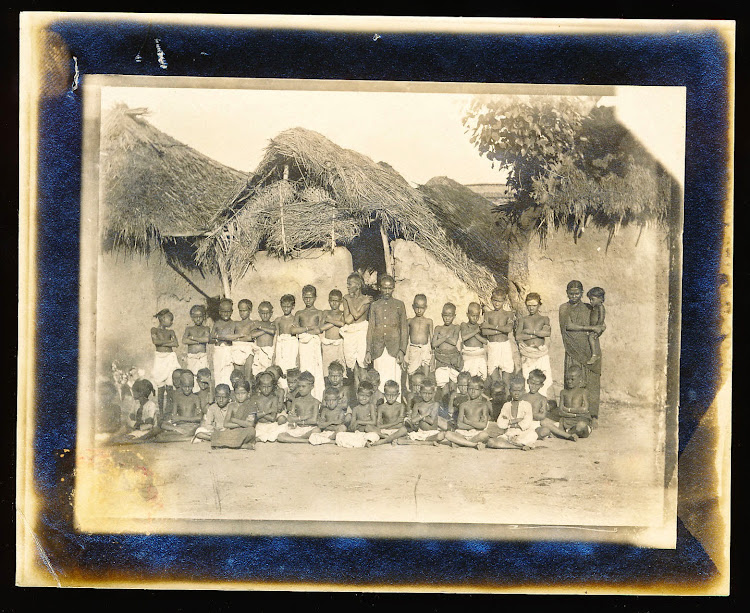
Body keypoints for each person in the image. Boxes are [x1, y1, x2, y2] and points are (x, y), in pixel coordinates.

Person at [559, 280, 605, 428]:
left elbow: (599, 322)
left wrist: (600, 328)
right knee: (573, 381)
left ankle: (593, 415)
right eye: (571, 293)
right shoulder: (564, 308)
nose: (574, 296)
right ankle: (570, 415)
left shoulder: (589, 307)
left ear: (582, 293)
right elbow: (568, 326)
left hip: (589, 350)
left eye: (577, 293)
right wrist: (591, 327)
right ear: (567, 293)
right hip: (573, 350)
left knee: (592, 383)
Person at [291, 285, 325, 402]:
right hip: (303, 346)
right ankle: (304, 401)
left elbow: (319, 330)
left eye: (310, 297)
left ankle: (317, 400)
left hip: (314, 346)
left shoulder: (319, 313)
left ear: (315, 297)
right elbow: (293, 330)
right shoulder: (299, 313)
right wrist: (308, 328)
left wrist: (310, 329)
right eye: (305, 297)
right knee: (304, 369)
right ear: (302, 297)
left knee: (317, 372)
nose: (308, 300)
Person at [516, 292, 553, 397]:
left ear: (539, 305)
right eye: (529, 305)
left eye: (534, 305)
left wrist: (530, 332)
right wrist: (536, 335)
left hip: (541, 354)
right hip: (528, 354)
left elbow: (547, 333)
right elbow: (518, 336)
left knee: (545, 380)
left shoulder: (544, 319)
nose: (531, 308)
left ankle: (541, 403)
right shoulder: (523, 320)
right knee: (528, 380)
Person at [523, 369, 576, 441]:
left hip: (536, 424)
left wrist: (530, 414)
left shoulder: (542, 399)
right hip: (524, 424)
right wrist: (534, 414)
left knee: (544, 429)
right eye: (532, 383)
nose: (534, 386)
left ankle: (568, 436)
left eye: (537, 384)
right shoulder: (523, 397)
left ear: (541, 385)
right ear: (528, 382)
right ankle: (551, 434)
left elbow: (542, 416)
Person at [340, 273, 373, 388]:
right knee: (354, 370)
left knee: (363, 368)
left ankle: (365, 396)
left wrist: (351, 301)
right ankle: (358, 398)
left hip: (362, 333)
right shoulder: (346, 298)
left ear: (358, 285)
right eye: (347, 284)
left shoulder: (366, 299)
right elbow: (348, 320)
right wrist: (350, 301)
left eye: (350, 284)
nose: (348, 286)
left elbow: (357, 315)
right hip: (350, 334)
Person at [488, 377, 537, 450]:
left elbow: (527, 423)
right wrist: (516, 420)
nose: (516, 393)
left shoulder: (527, 405)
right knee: (491, 442)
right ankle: (518, 446)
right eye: (514, 390)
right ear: (510, 391)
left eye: (519, 390)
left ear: (524, 391)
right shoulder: (506, 405)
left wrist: (509, 424)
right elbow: (500, 423)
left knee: (532, 435)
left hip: (523, 433)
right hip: (509, 434)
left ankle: (519, 443)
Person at [482, 286, 516, 390]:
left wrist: (493, 327)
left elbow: (508, 329)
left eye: (500, 301)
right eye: (495, 300)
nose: (497, 303)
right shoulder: (488, 314)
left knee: (506, 379)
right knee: (494, 378)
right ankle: (496, 403)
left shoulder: (508, 314)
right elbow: (484, 331)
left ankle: (506, 402)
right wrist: (500, 329)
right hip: (492, 346)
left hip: (504, 347)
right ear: (491, 300)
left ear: (504, 301)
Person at [444, 376, 490, 449]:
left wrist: (467, 422)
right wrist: (476, 425)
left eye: (476, 389)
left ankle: (461, 443)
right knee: (448, 434)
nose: (473, 391)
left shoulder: (483, 406)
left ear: (481, 391)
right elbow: (459, 424)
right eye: (470, 389)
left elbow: (483, 425)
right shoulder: (463, 405)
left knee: (484, 435)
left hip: (476, 433)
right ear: (467, 389)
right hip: (463, 432)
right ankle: (473, 444)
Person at [276, 371, 321, 443]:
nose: (300, 389)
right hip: (297, 428)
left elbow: (314, 420)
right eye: (299, 386)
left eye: (303, 386)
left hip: (309, 429)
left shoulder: (315, 402)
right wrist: (304, 418)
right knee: (280, 436)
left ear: (312, 387)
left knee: (316, 431)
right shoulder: (296, 401)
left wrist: (298, 420)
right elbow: (290, 418)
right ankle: (304, 440)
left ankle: (297, 439)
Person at [150, 308, 181, 412]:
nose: (172, 322)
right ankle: (161, 411)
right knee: (160, 386)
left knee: (170, 385)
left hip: (170, 357)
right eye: (170, 319)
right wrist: (168, 342)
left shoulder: (171, 331)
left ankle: (169, 410)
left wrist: (161, 342)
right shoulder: (154, 330)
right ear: (163, 318)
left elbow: (176, 344)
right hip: (160, 358)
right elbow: (155, 341)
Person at [211, 379, 256, 449]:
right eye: (238, 393)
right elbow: (225, 424)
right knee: (216, 434)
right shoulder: (232, 405)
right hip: (234, 430)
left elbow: (250, 424)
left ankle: (228, 445)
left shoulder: (251, 405)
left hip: (244, 430)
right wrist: (240, 425)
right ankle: (241, 446)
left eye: (243, 393)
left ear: (248, 393)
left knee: (251, 431)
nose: (240, 396)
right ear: (234, 394)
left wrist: (234, 420)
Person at [432, 303, 463, 399]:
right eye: (445, 316)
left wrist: (441, 338)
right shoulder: (438, 328)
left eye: (450, 316)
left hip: (453, 359)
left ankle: (453, 408)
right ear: (442, 315)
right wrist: (446, 337)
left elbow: (454, 342)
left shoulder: (456, 327)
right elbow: (434, 344)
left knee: (453, 385)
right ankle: (445, 409)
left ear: (454, 316)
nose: (447, 318)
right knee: (444, 387)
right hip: (441, 359)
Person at [336, 381, 380, 448]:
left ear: (371, 396)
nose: (364, 398)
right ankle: (365, 443)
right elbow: (353, 425)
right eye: (362, 395)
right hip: (359, 433)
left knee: (371, 432)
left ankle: (383, 436)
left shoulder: (371, 406)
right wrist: (352, 426)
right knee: (341, 436)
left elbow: (374, 422)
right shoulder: (355, 409)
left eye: (367, 396)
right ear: (357, 395)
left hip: (370, 431)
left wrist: (359, 422)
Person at [402, 378, 444, 445]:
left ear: (433, 394)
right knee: (410, 434)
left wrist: (420, 417)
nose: (427, 396)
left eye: (429, 393)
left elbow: (431, 421)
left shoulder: (435, 404)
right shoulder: (417, 405)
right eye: (424, 393)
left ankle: (423, 442)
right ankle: (428, 442)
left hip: (432, 432)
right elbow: (412, 421)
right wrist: (424, 415)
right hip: (421, 432)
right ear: (420, 392)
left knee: (440, 436)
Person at [405, 294, 433, 389]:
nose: (419, 310)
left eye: (422, 308)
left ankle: (425, 397)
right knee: (411, 373)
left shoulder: (429, 321)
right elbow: (406, 339)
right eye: (417, 307)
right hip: (414, 349)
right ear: (413, 306)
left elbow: (432, 339)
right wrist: (405, 356)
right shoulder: (410, 321)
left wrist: (432, 356)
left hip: (425, 350)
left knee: (425, 377)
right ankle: (412, 396)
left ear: (426, 307)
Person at [162, 370, 202, 437]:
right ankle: (181, 434)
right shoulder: (177, 398)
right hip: (180, 425)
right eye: (184, 386)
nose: (187, 389)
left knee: (161, 437)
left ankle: (182, 436)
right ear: (181, 385)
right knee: (163, 425)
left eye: (189, 387)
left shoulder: (195, 398)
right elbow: (174, 418)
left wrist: (180, 418)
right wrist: (176, 426)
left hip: (191, 425)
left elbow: (199, 418)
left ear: (193, 386)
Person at [252, 371, 288, 443]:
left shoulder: (274, 398)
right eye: (263, 386)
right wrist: (267, 412)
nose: (266, 389)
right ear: (259, 386)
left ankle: (261, 438)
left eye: (269, 386)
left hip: (271, 425)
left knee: (281, 429)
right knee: (252, 432)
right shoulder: (255, 398)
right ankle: (263, 437)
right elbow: (254, 416)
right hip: (259, 426)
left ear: (273, 386)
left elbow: (272, 418)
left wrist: (260, 413)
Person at [370, 380, 410, 446]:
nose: (391, 398)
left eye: (393, 395)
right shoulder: (381, 407)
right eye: (388, 395)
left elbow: (400, 425)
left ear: (398, 395)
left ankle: (383, 441)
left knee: (404, 429)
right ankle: (389, 438)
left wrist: (392, 425)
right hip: (384, 432)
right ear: (384, 394)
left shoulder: (401, 406)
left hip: (397, 431)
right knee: (368, 427)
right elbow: (379, 426)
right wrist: (395, 422)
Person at [558, 365, 593, 439]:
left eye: (572, 379)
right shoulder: (563, 392)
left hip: (581, 419)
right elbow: (560, 411)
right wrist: (573, 414)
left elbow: (585, 409)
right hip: (567, 420)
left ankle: (567, 433)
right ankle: (570, 433)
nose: (569, 381)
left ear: (580, 379)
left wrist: (568, 410)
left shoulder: (583, 391)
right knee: (549, 423)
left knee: (581, 426)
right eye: (567, 379)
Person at [182, 305, 211, 392]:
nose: (198, 319)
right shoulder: (189, 329)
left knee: (203, 377)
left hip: (202, 357)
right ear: (192, 317)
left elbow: (206, 339)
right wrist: (199, 340)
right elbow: (184, 340)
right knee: (192, 377)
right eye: (195, 317)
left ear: (204, 317)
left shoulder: (206, 328)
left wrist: (193, 338)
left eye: (200, 316)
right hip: (192, 357)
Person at [211, 299, 238, 386]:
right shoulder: (217, 323)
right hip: (219, 351)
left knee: (228, 372)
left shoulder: (233, 324)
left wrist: (221, 337)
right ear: (219, 312)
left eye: (228, 311)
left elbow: (236, 338)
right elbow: (211, 338)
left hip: (229, 352)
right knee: (218, 373)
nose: (226, 314)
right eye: (223, 311)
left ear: (232, 311)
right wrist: (221, 338)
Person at [320, 289, 346, 374]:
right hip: (327, 345)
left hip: (339, 345)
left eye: (336, 301)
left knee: (339, 370)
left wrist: (329, 320)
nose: (334, 303)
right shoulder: (326, 312)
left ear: (341, 302)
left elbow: (342, 324)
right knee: (327, 370)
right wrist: (336, 322)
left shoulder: (342, 313)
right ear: (328, 301)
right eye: (332, 301)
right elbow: (321, 328)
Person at [460, 302, 489, 379]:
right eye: (473, 316)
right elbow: (464, 338)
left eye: (477, 316)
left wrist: (475, 333)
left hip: (479, 355)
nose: (475, 318)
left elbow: (485, 341)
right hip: (468, 356)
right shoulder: (464, 325)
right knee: (467, 378)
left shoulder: (480, 327)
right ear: (467, 314)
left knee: (480, 379)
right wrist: (476, 331)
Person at [232, 299, 257, 381]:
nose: (242, 313)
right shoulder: (236, 323)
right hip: (237, 348)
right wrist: (241, 337)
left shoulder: (252, 323)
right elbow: (232, 336)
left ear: (250, 310)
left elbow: (251, 337)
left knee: (248, 376)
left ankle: (248, 393)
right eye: (240, 311)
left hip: (248, 349)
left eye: (245, 310)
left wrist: (238, 337)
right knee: (238, 376)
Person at [274, 294, 299, 375]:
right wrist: (274, 354)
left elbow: (298, 338)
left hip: (291, 347)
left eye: (288, 306)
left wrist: (298, 356)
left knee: (290, 368)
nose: (286, 308)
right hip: (281, 347)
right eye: (284, 306)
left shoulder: (295, 319)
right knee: (280, 368)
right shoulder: (278, 320)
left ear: (293, 306)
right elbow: (276, 337)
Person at [250, 301, 276, 377]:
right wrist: (265, 331)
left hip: (269, 353)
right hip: (259, 352)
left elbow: (273, 331)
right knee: (258, 374)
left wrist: (260, 328)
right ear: (259, 313)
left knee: (269, 374)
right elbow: (252, 335)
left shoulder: (272, 324)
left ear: (271, 313)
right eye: (262, 313)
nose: (265, 315)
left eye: (267, 313)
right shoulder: (257, 323)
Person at [586, 287, 606, 365]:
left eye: (592, 299)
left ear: (600, 299)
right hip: (596, 326)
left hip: (599, 325)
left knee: (591, 337)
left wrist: (598, 328)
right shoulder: (595, 307)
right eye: (590, 299)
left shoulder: (600, 307)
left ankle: (594, 355)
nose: (591, 301)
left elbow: (601, 318)